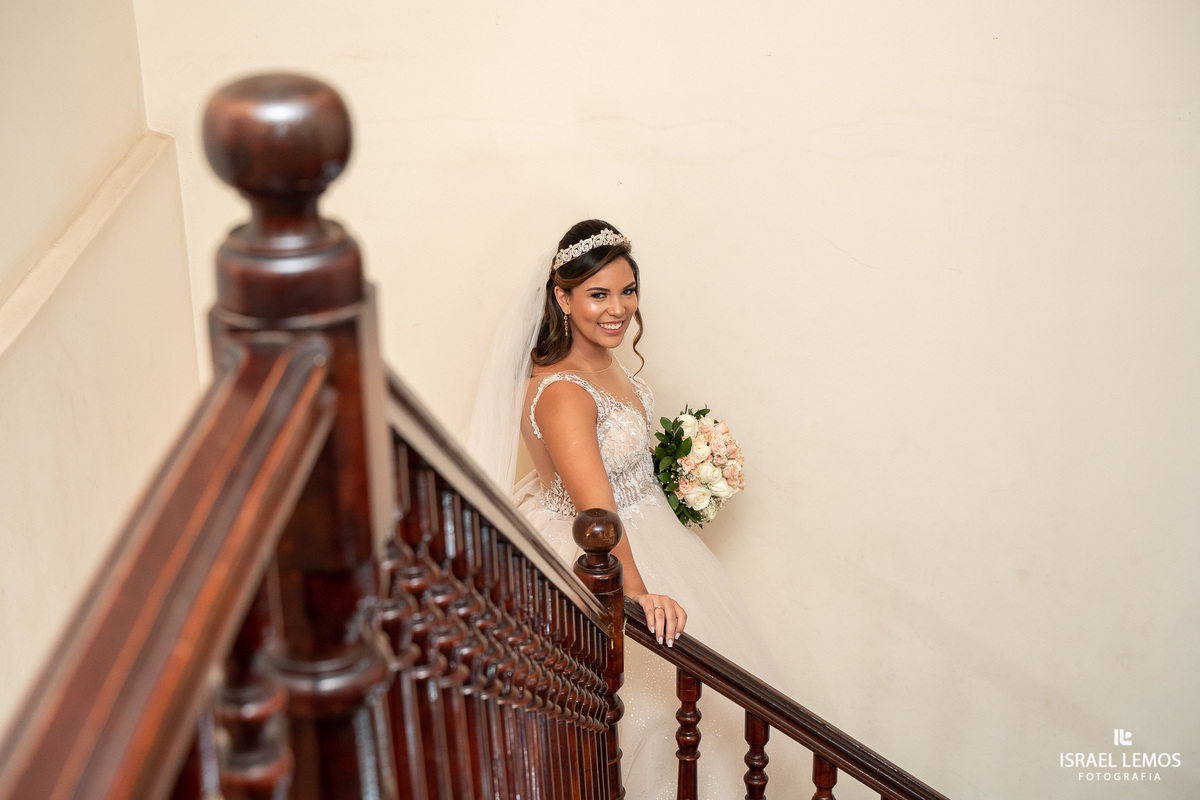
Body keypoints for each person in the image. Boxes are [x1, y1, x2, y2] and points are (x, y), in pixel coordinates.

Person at [468, 219, 792, 799]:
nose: (616, 309)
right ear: (563, 299)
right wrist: (637, 597)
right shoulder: (564, 391)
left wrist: (679, 477)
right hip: (601, 557)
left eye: (627, 291)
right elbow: (598, 515)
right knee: (645, 715)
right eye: (597, 294)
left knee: (708, 711)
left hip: (651, 534)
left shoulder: (609, 365)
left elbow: (623, 472)